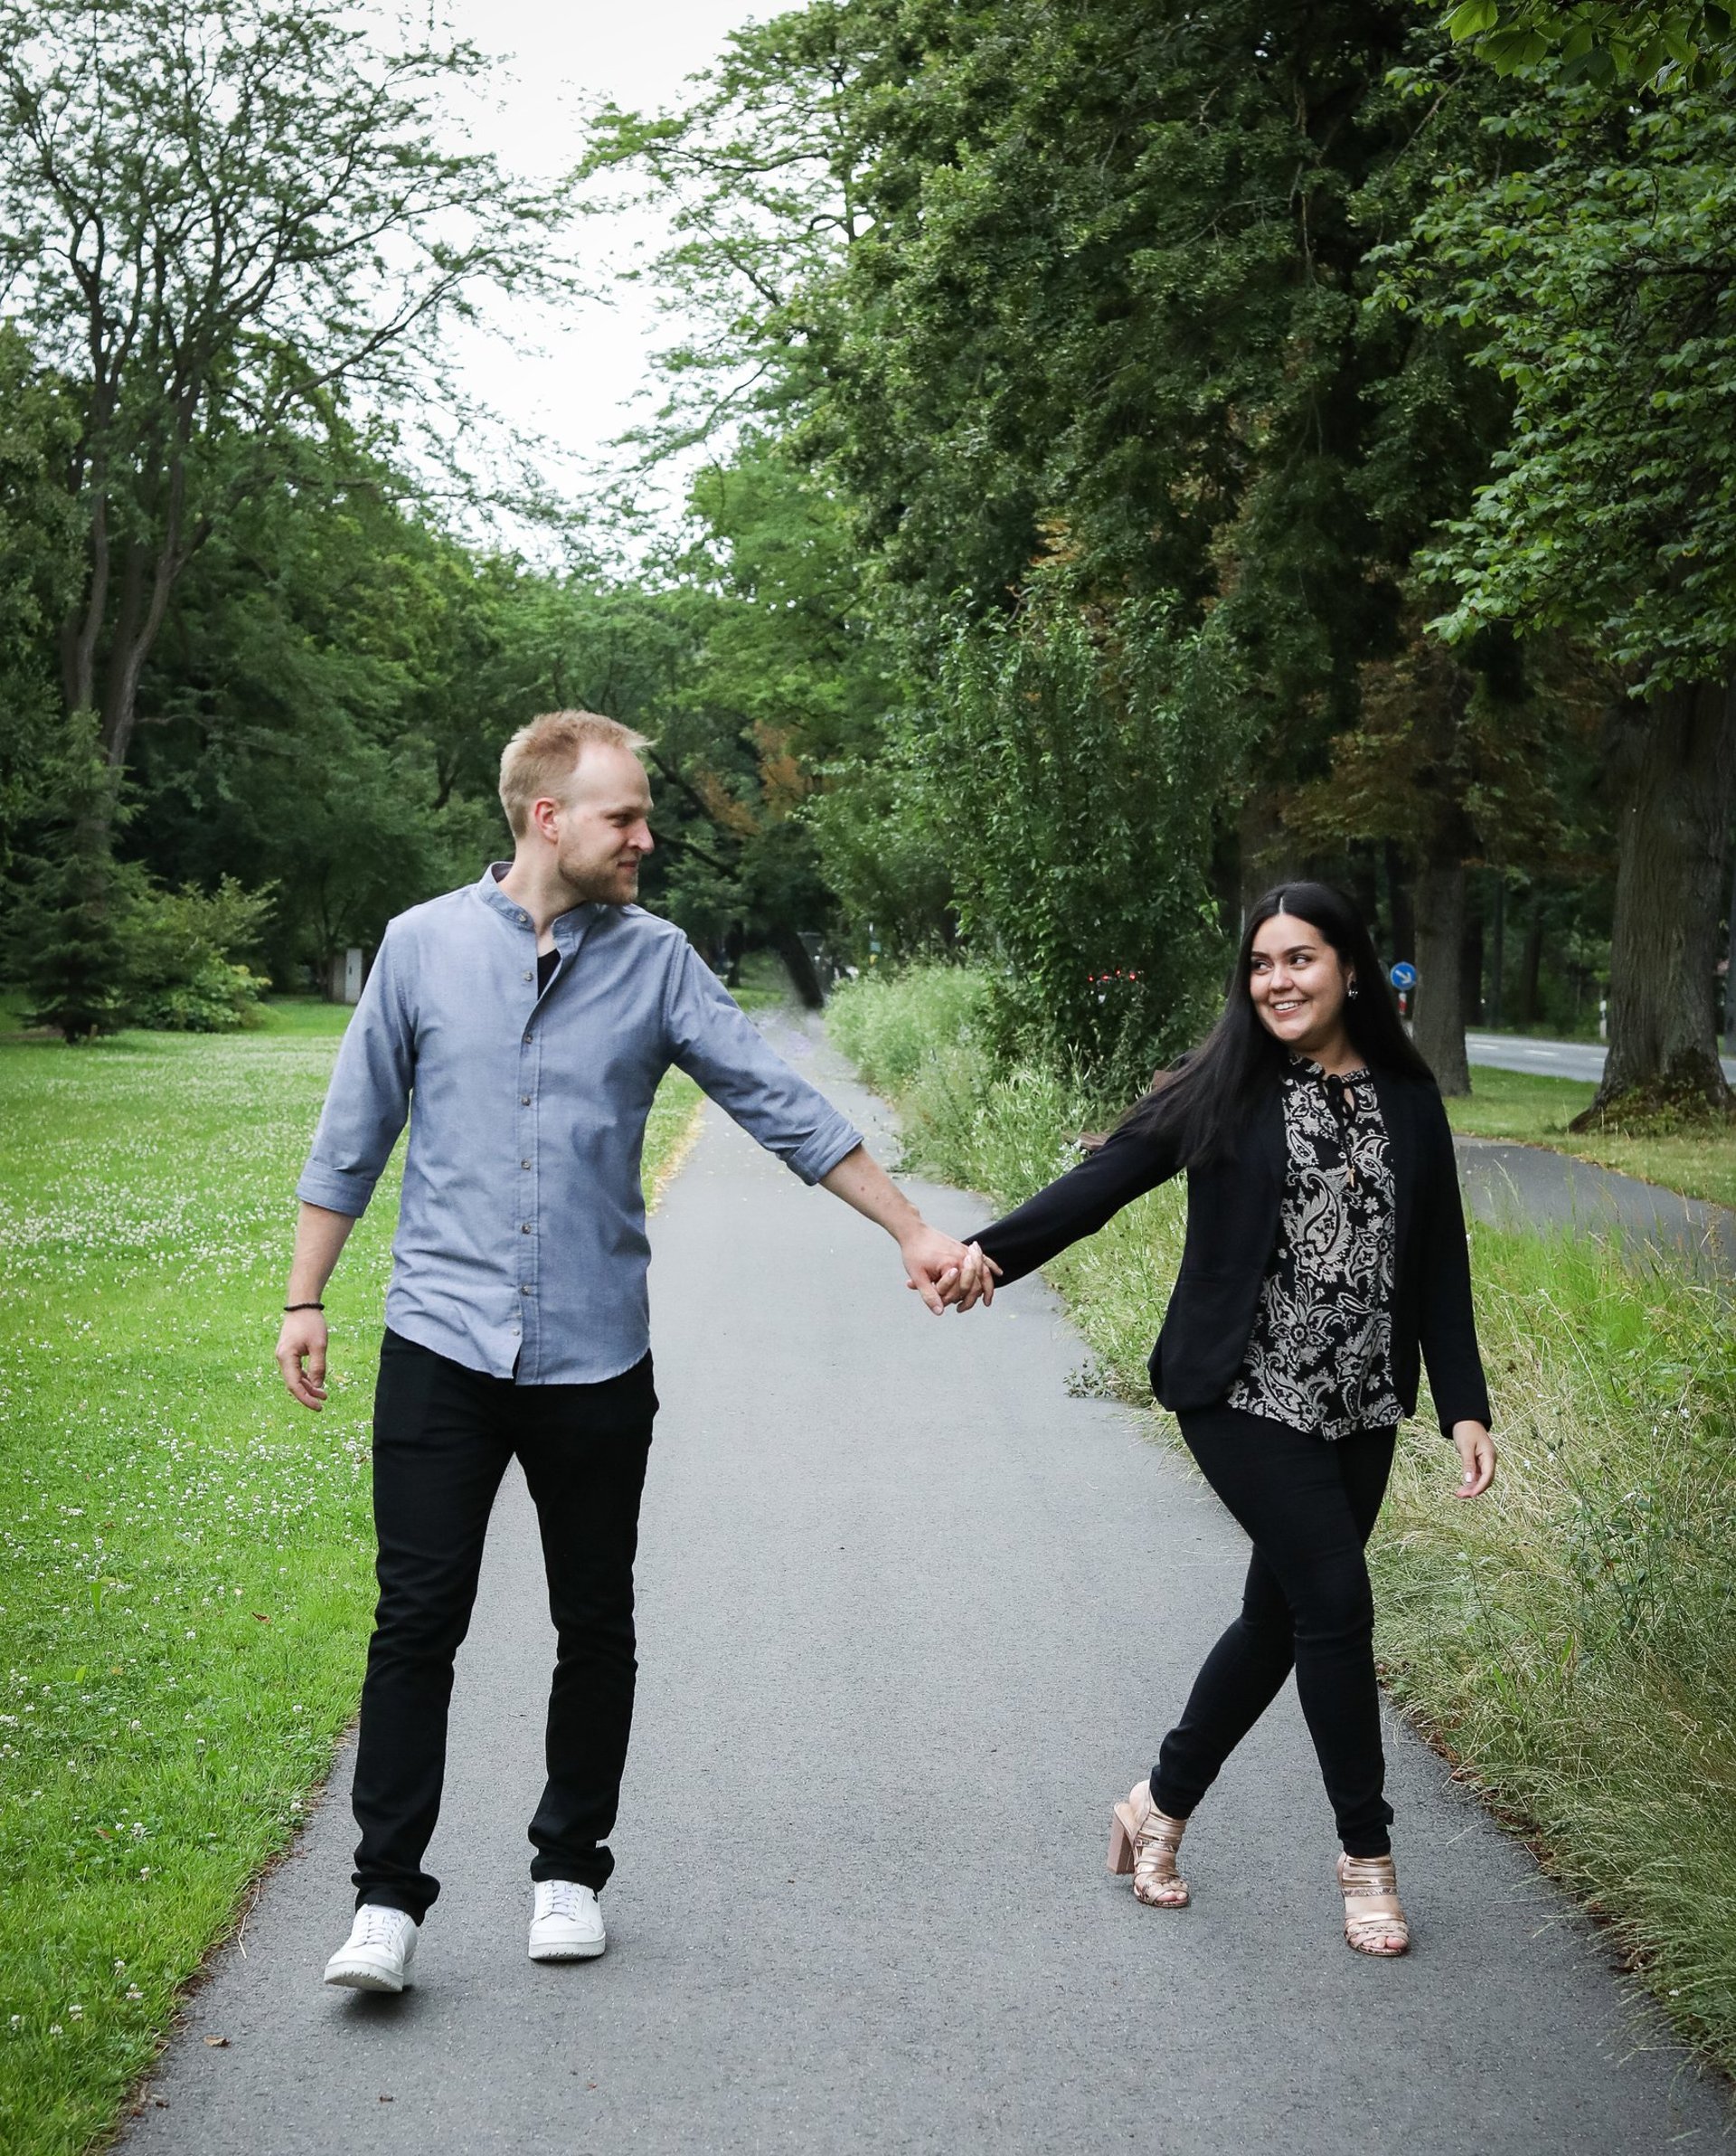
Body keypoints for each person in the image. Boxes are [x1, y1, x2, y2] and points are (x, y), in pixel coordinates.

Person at [276, 710, 981, 1993]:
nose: (647, 837)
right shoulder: (422, 949)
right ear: (549, 816)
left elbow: (779, 1103)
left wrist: (911, 1229)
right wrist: (304, 1298)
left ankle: (567, 1872)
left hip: (596, 1356)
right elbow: (355, 1127)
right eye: (626, 817)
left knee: (592, 1618)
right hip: (441, 1341)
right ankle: (385, 1901)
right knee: (415, 1619)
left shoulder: (656, 963)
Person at [950, 884, 1495, 1957]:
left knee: (1281, 1618)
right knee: (1338, 1602)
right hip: (1242, 1391)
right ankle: (1366, 1858)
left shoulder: (1407, 1094)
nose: (1278, 980)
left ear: (1350, 968)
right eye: (1261, 964)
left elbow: (1439, 1259)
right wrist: (989, 1253)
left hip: (1363, 1400)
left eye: (1300, 959)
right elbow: (1102, 1180)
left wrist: (1464, 1403)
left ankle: (1157, 1803)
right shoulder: (1225, 1087)